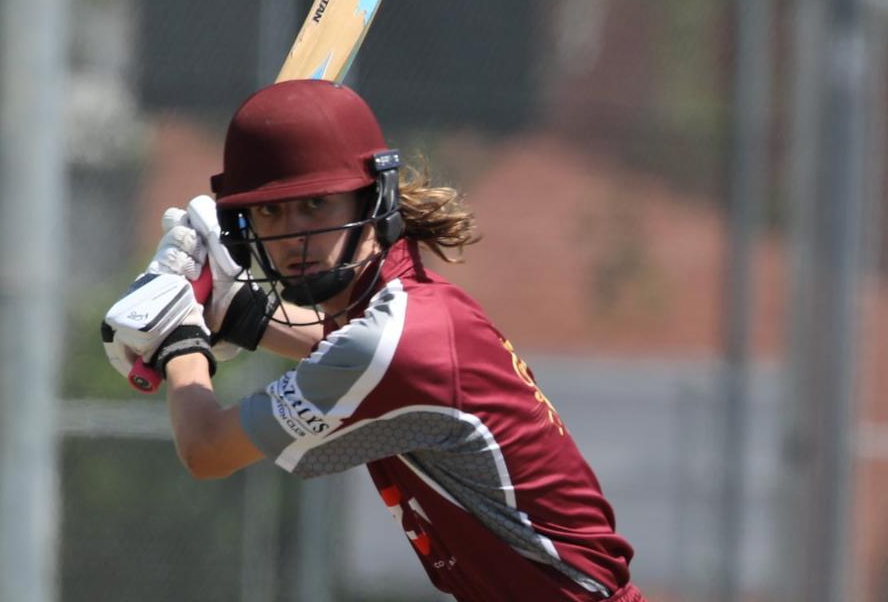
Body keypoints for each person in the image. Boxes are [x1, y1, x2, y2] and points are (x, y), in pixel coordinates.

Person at [103, 78, 646, 601]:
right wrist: (237, 313)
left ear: (372, 198)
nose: (296, 236)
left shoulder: (397, 343)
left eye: (316, 204)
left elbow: (206, 449)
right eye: (271, 211)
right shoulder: (406, 313)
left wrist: (179, 341)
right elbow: (347, 354)